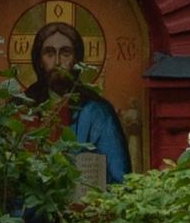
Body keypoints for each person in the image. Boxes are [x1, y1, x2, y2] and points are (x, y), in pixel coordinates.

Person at [27, 14, 130, 179]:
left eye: (66, 53)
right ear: (39, 60)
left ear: (77, 59)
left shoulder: (99, 112)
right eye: (49, 53)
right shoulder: (23, 109)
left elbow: (119, 179)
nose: (58, 61)